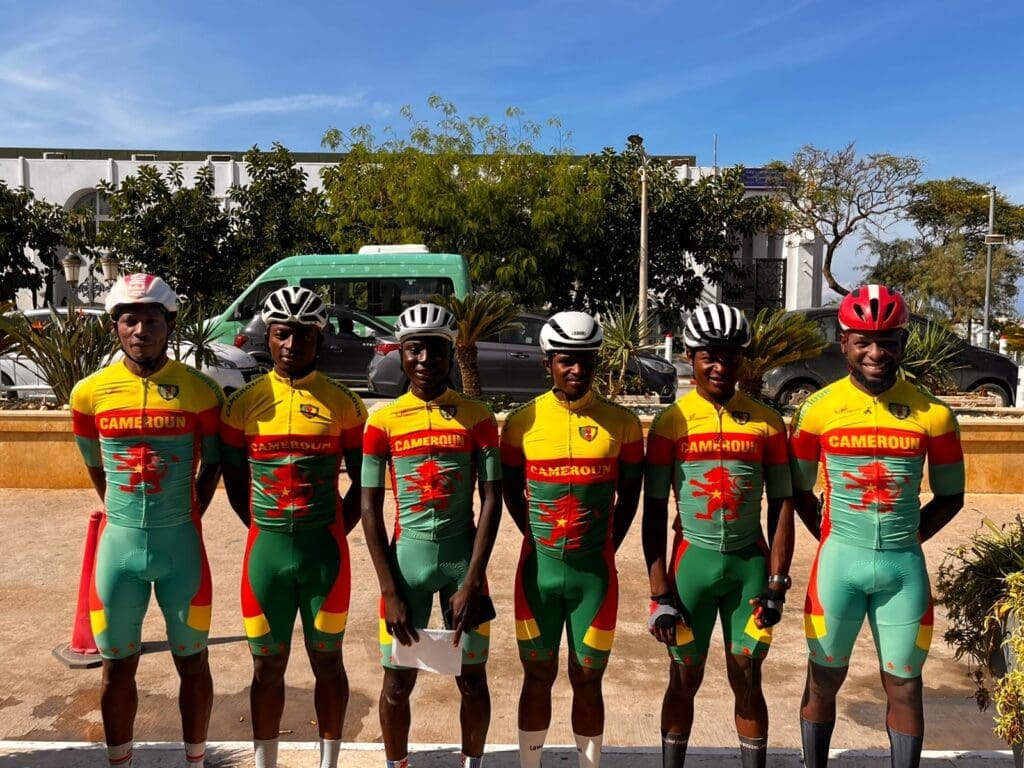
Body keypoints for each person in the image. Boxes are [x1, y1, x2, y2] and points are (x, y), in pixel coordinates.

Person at [790, 284, 965, 768]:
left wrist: (910, 537)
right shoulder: (816, 409)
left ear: (903, 342)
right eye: (863, 341)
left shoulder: (934, 414)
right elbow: (796, 489)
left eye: (887, 340)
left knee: (905, 685)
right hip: (837, 564)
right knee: (822, 680)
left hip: (903, 569)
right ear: (843, 342)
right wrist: (828, 536)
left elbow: (952, 495)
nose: (875, 352)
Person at [70, 273, 222, 768]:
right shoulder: (88, 394)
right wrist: (122, 513)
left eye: (152, 321)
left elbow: (214, 463)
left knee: (193, 665)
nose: (141, 331)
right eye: (129, 320)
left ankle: (196, 762)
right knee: (116, 671)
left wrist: (190, 512)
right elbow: (96, 466)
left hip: (182, 548)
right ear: (115, 327)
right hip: (119, 549)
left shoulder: (200, 391)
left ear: (169, 325)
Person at [642, 303, 795, 768]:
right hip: (691, 566)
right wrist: (659, 590)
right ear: (690, 357)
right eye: (709, 356)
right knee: (683, 678)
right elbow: (654, 510)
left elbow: (782, 504)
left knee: (747, 677)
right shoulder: (671, 422)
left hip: (751, 567)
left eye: (730, 357)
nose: (720, 366)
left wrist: (777, 581)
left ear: (742, 360)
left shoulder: (768, 421)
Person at [221, 286, 367, 768]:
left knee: (328, 662)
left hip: (325, 553)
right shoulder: (243, 403)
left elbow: (364, 482)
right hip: (265, 551)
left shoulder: (345, 403)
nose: (291, 344)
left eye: (303, 335)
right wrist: (262, 526)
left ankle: (329, 763)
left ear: (319, 340)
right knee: (267, 667)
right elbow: (233, 478)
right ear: (268, 335)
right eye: (282, 334)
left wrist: (335, 530)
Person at [500, 311, 644, 768]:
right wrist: (535, 537)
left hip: (595, 576)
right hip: (536, 572)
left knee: (587, 678)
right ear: (548, 363)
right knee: (537, 676)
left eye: (587, 360)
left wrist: (606, 546)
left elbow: (631, 497)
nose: (577, 369)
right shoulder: (521, 422)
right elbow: (509, 491)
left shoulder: (622, 423)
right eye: (567, 360)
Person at [361, 302, 502, 768]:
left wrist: (473, 581)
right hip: (406, 569)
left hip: (464, 565)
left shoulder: (477, 416)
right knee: (396, 686)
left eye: (436, 350)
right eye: (414, 350)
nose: (425, 360)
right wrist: (389, 591)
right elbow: (368, 507)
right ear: (401, 354)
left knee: (472, 681)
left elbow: (493, 499)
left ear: (451, 353)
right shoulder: (382, 419)